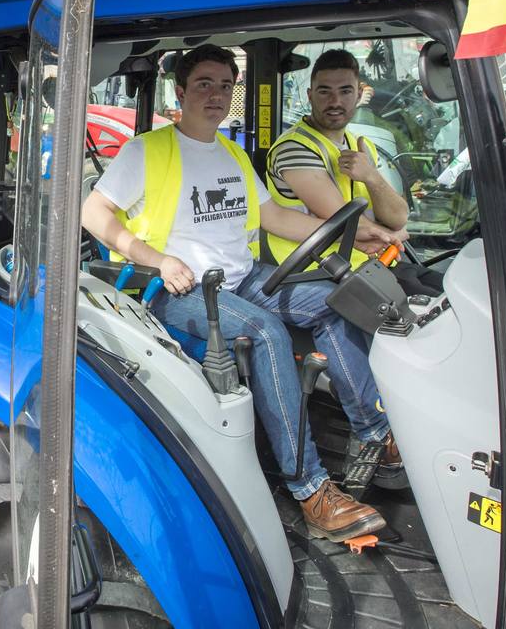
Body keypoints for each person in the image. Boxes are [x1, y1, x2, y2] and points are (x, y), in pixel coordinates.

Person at [82, 44, 402, 543]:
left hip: (241, 277)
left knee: (338, 298)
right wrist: (156, 258)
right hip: (175, 288)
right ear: (181, 92)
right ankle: (311, 487)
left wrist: (357, 232)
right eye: (204, 84)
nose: (216, 94)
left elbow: (273, 216)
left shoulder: (230, 152)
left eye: (225, 85)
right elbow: (94, 215)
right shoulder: (147, 150)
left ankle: (373, 434)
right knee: (269, 333)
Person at [266, 48, 442, 295]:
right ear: (309, 95)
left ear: (359, 94)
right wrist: (391, 234)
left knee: (450, 292)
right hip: (320, 273)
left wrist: (370, 175)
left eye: (345, 91)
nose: (335, 102)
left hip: (370, 266)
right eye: (324, 91)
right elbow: (347, 223)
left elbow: (398, 217)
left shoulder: (360, 144)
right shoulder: (295, 148)